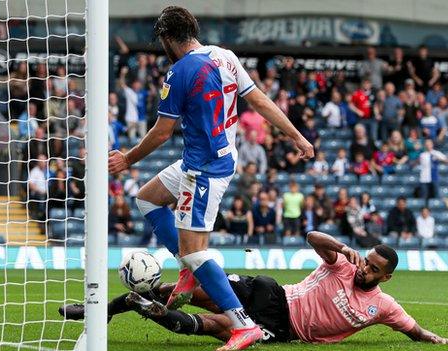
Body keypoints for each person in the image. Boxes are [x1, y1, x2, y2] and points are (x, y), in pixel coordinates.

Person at [107, 7, 314, 349]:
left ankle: (242, 323)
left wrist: (127, 158)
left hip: (203, 169)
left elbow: (161, 132)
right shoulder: (225, 56)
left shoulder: (179, 72)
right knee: (147, 198)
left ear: (168, 38)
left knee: (195, 252)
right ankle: (189, 271)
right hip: (213, 158)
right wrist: (296, 136)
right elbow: (260, 101)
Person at [60, 232, 448, 346]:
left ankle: (145, 308)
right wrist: (342, 247)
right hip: (271, 292)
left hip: (283, 327)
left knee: (217, 325)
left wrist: (435, 339)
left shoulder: (383, 306)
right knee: (188, 288)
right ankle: (102, 310)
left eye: (374, 269)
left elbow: (411, 329)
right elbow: (311, 236)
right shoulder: (342, 266)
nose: (365, 269)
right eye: (367, 261)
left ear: (385, 278)